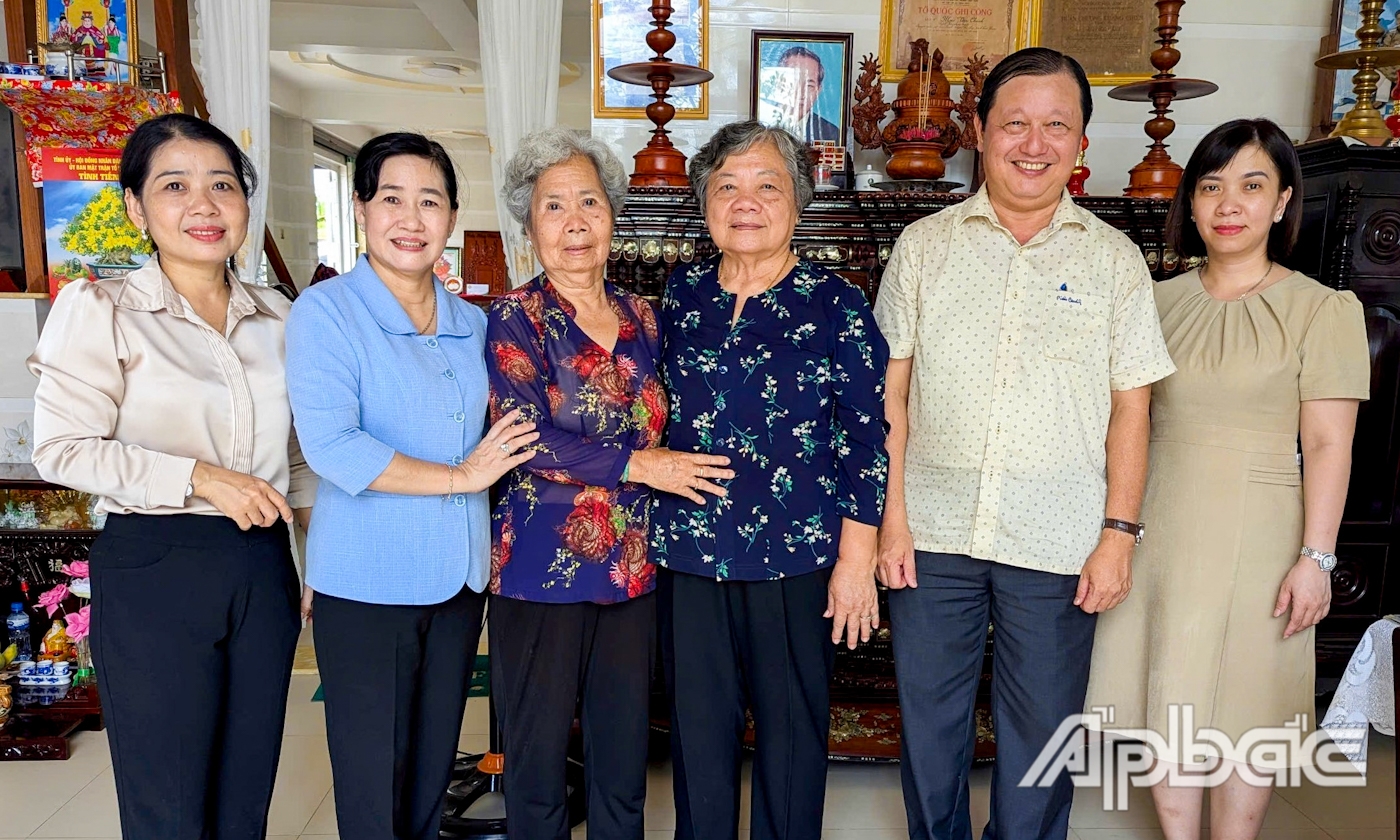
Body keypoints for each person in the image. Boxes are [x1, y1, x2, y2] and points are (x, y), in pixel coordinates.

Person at [872, 47, 1177, 840]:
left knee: (1041, 739)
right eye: (1014, 124)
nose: (1033, 144)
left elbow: (1133, 413)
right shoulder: (925, 247)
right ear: (979, 131)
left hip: (1060, 538)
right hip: (931, 532)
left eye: (1055, 126)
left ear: (1080, 142)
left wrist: (1118, 536)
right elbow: (891, 397)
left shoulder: (1114, 262)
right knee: (930, 731)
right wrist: (890, 520)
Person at [28, 112, 316, 840]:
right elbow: (62, 448)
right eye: (175, 185)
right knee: (169, 800)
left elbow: (299, 457)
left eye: (222, 185)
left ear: (245, 202)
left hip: (261, 568)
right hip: (156, 562)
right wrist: (200, 477)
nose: (203, 205)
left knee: (245, 789)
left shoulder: (278, 319)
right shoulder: (102, 309)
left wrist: (315, 562)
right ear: (136, 206)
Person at [1084, 118, 1370, 840]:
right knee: (1167, 697)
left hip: (1263, 529)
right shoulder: (1155, 302)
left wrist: (1317, 558)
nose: (1228, 203)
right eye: (1211, 186)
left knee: (1246, 707)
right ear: (1192, 201)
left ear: (1281, 203)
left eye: (1251, 185)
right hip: (1162, 523)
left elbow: (1330, 443)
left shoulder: (1322, 310)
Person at [285, 132, 537, 840]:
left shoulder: (473, 323)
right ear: (361, 208)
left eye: (429, 201)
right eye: (391, 198)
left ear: (452, 217)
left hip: (457, 583)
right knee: (373, 780)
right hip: (367, 584)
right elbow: (334, 447)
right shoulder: (327, 312)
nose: (411, 218)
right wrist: (464, 477)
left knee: (430, 773)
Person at [486, 127, 733, 840]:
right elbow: (526, 437)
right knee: (535, 764)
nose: (574, 223)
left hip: (630, 568)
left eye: (588, 202)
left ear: (612, 215)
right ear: (529, 224)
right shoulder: (515, 316)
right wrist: (640, 464)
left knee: (622, 758)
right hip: (539, 572)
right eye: (553, 206)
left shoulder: (642, 316)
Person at [655, 120, 890, 840]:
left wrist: (858, 561)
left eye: (767, 185)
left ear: (797, 202)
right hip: (688, 553)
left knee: (791, 740)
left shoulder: (836, 304)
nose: (746, 201)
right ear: (705, 203)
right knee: (697, 738)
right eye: (727, 185)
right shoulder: (680, 294)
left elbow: (866, 437)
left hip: (796, 558)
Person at [758, 46, 842, 144]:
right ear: (778, 84)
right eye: (792, 83)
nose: (800, 93)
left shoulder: (831, 134)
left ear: (818, 90)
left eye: (809, 85)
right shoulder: (760, 125)